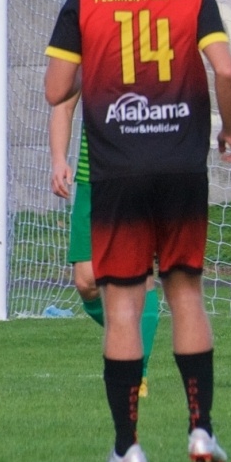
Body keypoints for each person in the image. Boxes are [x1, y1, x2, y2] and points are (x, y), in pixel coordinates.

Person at [44, 0, 231, 462]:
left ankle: (127, 446)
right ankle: (201, 432)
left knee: (124, 304)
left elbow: (58, 90)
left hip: (117, 172)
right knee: (185, 293)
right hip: (182, 168)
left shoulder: (85, 0)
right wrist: (230, 129)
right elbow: (226, 70)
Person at [49, 97, 161, 400]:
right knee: (87, 282)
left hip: (141, 173)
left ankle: (139, 373)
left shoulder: (154, 52)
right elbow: (63, 103)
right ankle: (128, 337)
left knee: (138, 274)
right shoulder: (87, 51)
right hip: (92, 179)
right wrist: (59, 159)